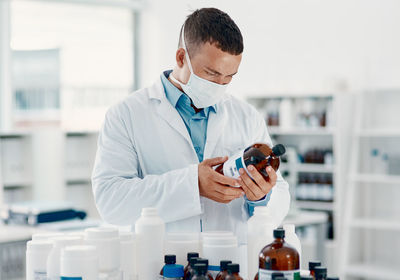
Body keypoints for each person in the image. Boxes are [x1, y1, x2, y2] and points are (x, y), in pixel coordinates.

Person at [92, 7, 290, 243]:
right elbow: (111, 201)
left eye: (229, 77)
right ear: (181, 57)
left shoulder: (246, 116)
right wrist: (192, 185)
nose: (220, 85)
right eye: (211, 73)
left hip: (228, 265)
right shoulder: (126, 115)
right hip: (161, 264)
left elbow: (280, 194)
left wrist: (261, 198)